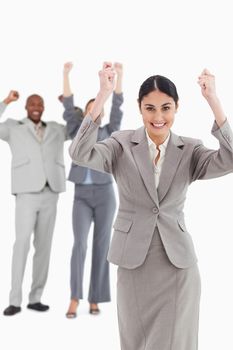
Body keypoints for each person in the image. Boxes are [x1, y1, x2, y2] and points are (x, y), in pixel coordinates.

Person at [68, 63, 233, 349]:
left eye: (166, 108)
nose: (158, 117)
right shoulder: (121, 144)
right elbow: (79, 152)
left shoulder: (190, 150)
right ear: (140, 108)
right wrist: (103, 93)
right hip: (133, 264)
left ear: (177, 108)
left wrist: (213, 100)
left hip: (178, 267)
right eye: (150, 108)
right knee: (134, 342)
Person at [61, 62, 123, 318]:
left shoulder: (109, 131)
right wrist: (65, 74)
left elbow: (118, 105)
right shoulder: (77, 131)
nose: (94, 111)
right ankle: (75, 296)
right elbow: (67, 107)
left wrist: (120, 76)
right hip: (81, 197)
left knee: (102, 245)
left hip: (105, 194)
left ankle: (96, 297)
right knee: (80, 245)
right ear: (87, 114)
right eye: (90, 109)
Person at [0, 91, 69, 316]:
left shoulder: (57, 129)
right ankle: (14, 300)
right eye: (32, 104)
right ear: (26, 107)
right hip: (26, 193)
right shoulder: (13, 127)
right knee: (21, 243)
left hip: (51, 192)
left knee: (44, 246)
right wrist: (6, 101)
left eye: (40, 103)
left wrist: (68, 105)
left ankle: (35, 297)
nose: (36, 107)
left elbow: (79, 128)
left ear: (44, 107)